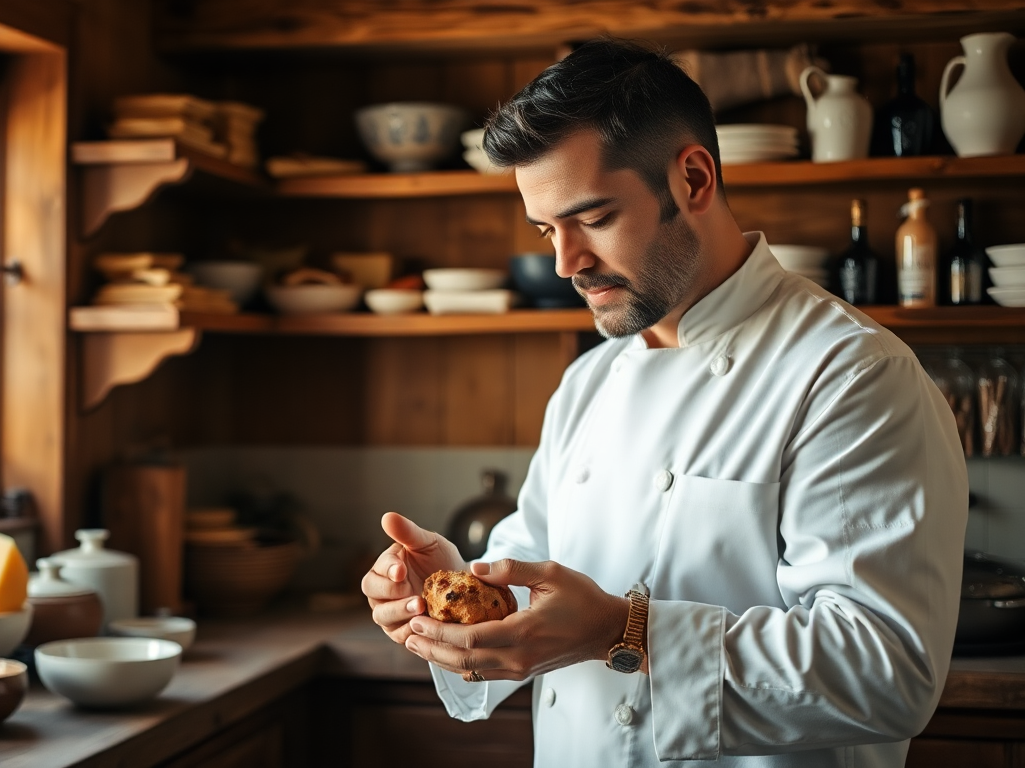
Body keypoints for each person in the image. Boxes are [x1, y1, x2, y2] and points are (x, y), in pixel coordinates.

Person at [361, 38, 967, 767]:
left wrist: (624, 632)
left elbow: (886, 672)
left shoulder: (848, 374)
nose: (565, 263)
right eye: (547, 229)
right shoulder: (588, 383)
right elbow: (540, 577)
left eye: (593, 217)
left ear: (693, 178)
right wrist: (456, 591)